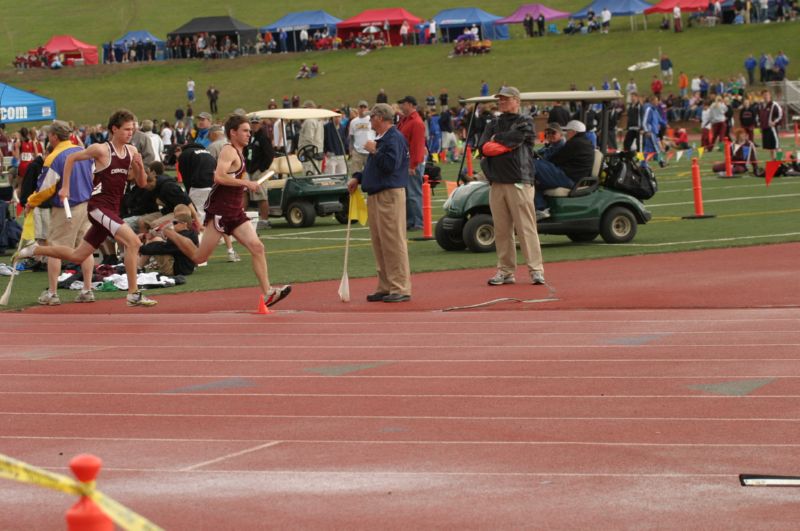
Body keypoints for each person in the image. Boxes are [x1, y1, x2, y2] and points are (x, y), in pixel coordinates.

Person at [15, 109, 157, 307]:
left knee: (78, 255)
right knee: (133, 242)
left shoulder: (132, 151)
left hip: (112, 209)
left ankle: (35, 249)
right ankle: (133, 294)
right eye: (126, 129)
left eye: (132, 129)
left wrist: (140, 167)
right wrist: (65, 187)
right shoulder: (101, 149)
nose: (130, 133)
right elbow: (71, 159)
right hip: (98, 207)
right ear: (114, 129)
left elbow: (142, 183)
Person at [162, 114, 291, 308]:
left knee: (258, 247)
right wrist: (246, 182)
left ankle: (268, 293)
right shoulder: (228, 151)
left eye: (249, 130)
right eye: (245, 131)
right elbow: (219, 177)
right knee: (199, 258)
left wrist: (244, 185)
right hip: (221, 212)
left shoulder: (239, 152)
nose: (249, 134)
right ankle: (169, 232)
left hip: (235, 212)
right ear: (233, 132)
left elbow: (231, 180)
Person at [477, 86, 544, 287]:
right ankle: (505, 271)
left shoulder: (525, 121)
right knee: (502, 230)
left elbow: (517, 139)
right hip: (497, 181)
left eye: (506, 99)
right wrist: (500, 143)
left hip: (519, 180)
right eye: (500, 99)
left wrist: (496, 141)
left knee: (526, 228)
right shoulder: (494, 122)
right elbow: (482, 147)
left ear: (517, 100)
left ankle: (536, 270)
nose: (501, 102)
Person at [23, 121, 95, 305]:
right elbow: (94, 175)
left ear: (54, 136)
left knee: (54, 248)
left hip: (66, 207)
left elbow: (46, 188)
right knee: (85, 247)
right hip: (87, 204)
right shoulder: (82, 150)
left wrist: (31, 202)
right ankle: (87, 289)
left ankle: (53, 293)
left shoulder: (54, 157)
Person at [346, 103, 411, 303]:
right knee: (380, 242)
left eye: (372, 116)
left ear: (380, 118)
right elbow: (375, 168)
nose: (369, 119)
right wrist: (359, 177)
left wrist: (375, 151)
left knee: (393, 241)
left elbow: (391, 165)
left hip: (389, 195)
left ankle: (400, 286)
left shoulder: (394, 138)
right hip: (376, 195)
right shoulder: (382, 138)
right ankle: (385, 285)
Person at [533, 120, 595, 219]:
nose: (566, 134)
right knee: (534, 179)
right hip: (572, 176)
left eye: (568, 131)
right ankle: (540, 208)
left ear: (574, 132)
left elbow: (556, 160)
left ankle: (541, 208)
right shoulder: (585, 142)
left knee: (533, 164)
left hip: (569, 178)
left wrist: (542, 163)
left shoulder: (574, 143)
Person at [138, 204, 199, 276]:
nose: (173, 224)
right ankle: (138, 267)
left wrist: (140, 248)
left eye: (175, 222)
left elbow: (163, 248)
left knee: (155, 243)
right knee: (155, 242)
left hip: (177, 270)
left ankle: (138, 267)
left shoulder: (181, 236)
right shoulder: (192, 234)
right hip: (186, 268)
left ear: (184, 224)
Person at [396, 95, 426, 230]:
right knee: (407, 194)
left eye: (403, 104)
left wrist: (413, 165)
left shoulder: (416, 122)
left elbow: (417, 146)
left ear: (410, 104)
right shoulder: (406, 120)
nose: (401, 106)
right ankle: (410, 221)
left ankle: (418, 222)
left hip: (411, 163)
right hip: (404, 162)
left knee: (413, 193)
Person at [244, 116, 275, 230]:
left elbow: (270, 155)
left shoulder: (263, 137)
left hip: (259, 171)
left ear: (260, 124)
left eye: (256, 123)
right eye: (252, 123)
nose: (254, 125)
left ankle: (264, 220)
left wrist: (262, 168)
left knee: (261, 196)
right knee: (248, 194)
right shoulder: (251, 137)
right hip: (250, 169)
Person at [348, 100, 375, 175]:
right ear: (358, 108)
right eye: (361, 107)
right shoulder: (353, 122)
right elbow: (351, 137)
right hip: (357, 152)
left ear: (367, 109)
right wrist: (351, 150)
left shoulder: (371, 119)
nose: (362, 109)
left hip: (370, 151)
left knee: (371, 173)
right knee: (355, 174)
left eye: (364, 107)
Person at [758, 90, 782, 160]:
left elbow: (781, 114)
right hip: (765, 129)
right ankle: (773, 161)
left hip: (772, 128)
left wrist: (775, 122)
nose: (765, 96)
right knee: (770, 148)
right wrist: (760, 126)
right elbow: (760, 116)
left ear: (770, 96)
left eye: (767, 95)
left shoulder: (774, 104)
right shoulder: (761, 105)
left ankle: (779, 160)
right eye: (764, 95)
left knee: (777, 146)